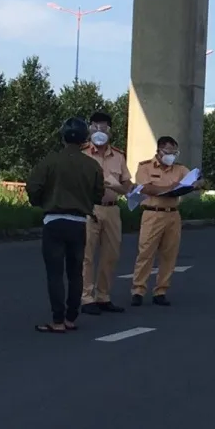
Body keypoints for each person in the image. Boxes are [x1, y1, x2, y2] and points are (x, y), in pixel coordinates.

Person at [26, 118, 104, 333]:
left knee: (55, 273)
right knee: (75, 272)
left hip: (54, 221)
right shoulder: (92, 165)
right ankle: (71, 317)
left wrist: (42, 202)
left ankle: (57, 320)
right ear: (84, 140)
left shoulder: (50, 161)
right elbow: (99, 194)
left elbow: (33, 187)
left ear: (62, 137)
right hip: (79, 223)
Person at [130, 136, 203, 306]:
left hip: (172, 214)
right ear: (159, 151)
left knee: (169, 254)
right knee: (145, 252)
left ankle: (161, 290)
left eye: (174, 152)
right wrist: (171, 188)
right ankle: (138, 290)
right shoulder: (145, 167)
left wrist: (198, 183)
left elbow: (194, 179)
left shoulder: (179, 169)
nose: (171, 156)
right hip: (152, 213)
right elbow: (147, 188)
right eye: (167, 152)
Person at [79, 111, 133, 315]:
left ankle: (103, 296)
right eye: (95, 126)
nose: (99, 131)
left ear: (110, 131)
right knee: (87, 255)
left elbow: (127, 182)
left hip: (112, 208)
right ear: (89, 128)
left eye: (103, 127)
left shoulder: (118, 156)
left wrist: (125, 187)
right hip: (89, 208)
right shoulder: (82, 153)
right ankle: (86, 297)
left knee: (111, 255)